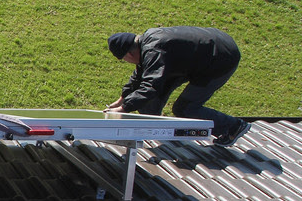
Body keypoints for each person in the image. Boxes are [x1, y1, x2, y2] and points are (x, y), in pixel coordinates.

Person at [106, 27, 249, 146]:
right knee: (148, 102)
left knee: (185, 108)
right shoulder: (146, 44)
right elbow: (139, 76)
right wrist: (121, 101)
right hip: (193, 59)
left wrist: (124, 109)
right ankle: (156, 130)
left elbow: (150, 85)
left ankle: (233, 126)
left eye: (124, 59)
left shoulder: (154, 50)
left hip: (220, 57)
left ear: (129, 54)